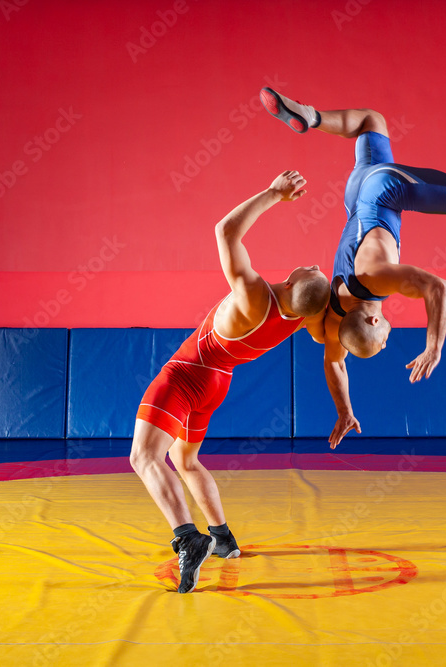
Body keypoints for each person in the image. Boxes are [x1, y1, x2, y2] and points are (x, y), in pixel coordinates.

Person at [261, 84, 446, 448]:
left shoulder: (376, 279)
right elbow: (334, 364)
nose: (386, 343)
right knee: (372, 120)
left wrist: (434, 347)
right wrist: (344, 411)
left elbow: (438, 287)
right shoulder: (332, 318)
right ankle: (312, 116)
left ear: (372, 319)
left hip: (384, 190)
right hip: (355, 194)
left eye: (382, 341)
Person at [131, 170, 330, 593]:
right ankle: (222, 538)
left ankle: (188, 538)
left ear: (294, 281)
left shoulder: (254, 295)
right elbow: (336, 322)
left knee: (144, 459)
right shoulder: (302, 321)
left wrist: (274, 194)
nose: (315, 263)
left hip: (186, 375)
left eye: (313, 270)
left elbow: (225, 230)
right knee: (185, 461)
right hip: (217, 385)